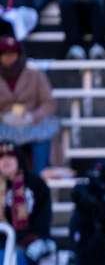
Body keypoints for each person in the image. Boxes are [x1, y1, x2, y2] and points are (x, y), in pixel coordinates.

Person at [0, 139, 52, 265]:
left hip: (33, 238)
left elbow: (43, 219)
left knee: (27, 254)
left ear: (19, 159)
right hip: (3, 242)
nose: (5, 161)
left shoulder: (36, 184)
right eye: (1, 157)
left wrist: (22, 239)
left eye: (10, 156)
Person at [0, 35, 57, 173]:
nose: (9, 57)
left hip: (31, 121)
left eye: (12, 53)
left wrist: (33, 116)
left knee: (45, 133)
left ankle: (39, 176)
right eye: (4, 54)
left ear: (19, 55)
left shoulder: (34, 73)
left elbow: (48, 102)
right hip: (3, 123)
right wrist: (3, 117)